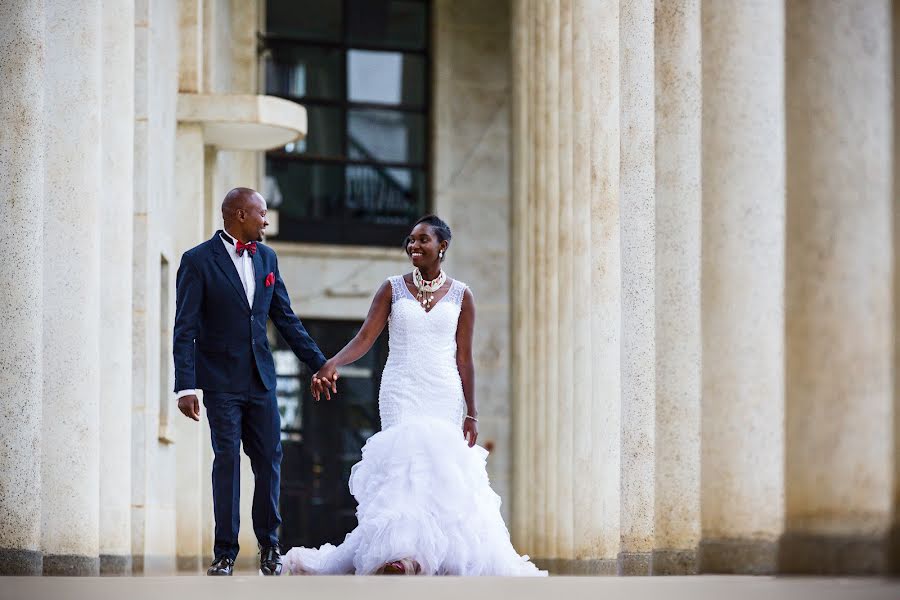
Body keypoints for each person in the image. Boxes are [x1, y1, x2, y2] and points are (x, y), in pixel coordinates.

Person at [285, 215, 545, 576]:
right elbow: (365, 338)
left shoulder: (462, 295)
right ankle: (401, 555)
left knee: (438, 471)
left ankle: (429, 554)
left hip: (443, 390)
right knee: (405, 467)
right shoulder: (392, 288)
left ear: (442, 247)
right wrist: (332, 363)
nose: (414, 246)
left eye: (423, 240)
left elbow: (464, 358)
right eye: (410, 240)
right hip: (401, 388)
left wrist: (472, 412)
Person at [173, 187, 330, 576]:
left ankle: (269, 547)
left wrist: (319, 363)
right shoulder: (196, 261)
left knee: (269, 461)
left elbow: (286, 319)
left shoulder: (268, 258)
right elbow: (185, 328)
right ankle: (225, 552)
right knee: (226, 461)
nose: (266, 220)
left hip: (262, 381)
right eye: (261, 213)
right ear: (240, 214)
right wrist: (185, 385)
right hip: (221, 384)